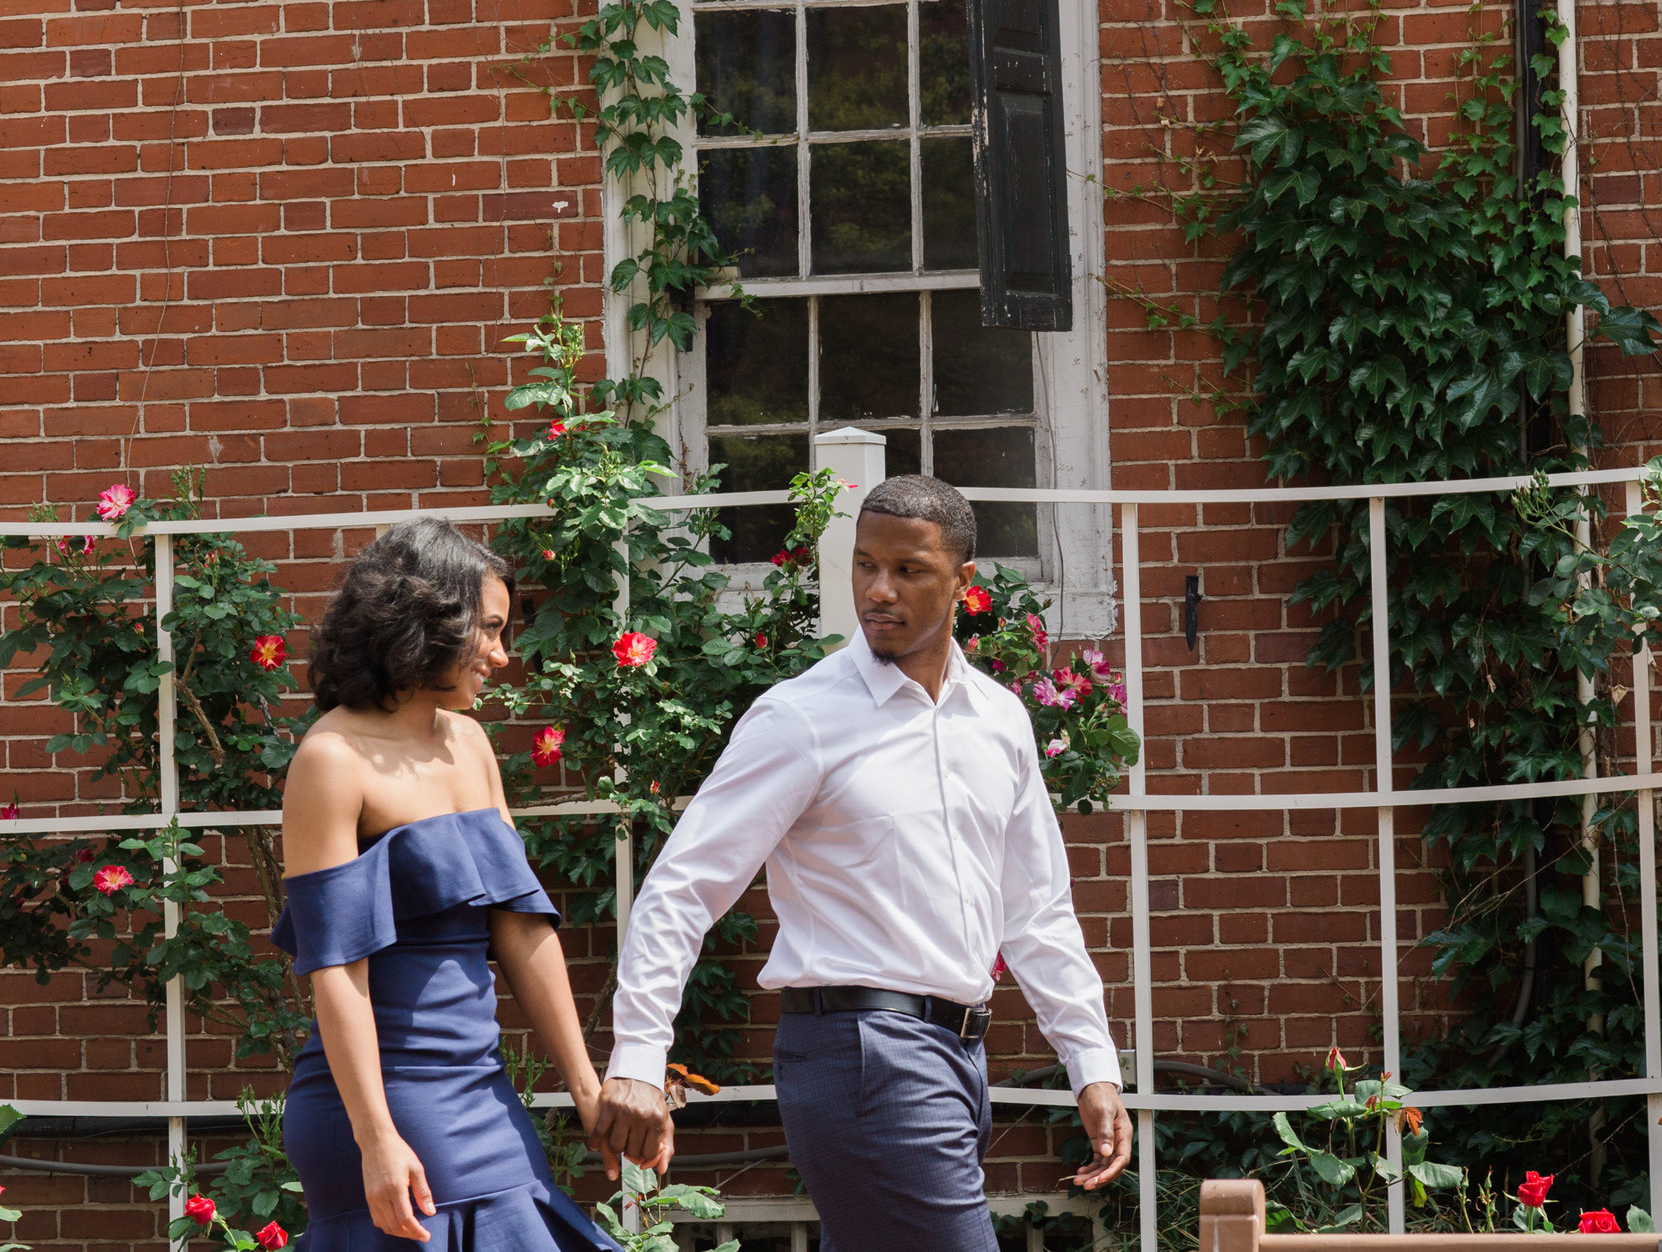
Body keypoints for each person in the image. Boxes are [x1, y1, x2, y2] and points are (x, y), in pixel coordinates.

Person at [598, 474, 1134, 1252]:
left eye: (908, 570)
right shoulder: (802, 716)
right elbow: (683, 885)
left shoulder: (1000, 720)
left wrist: (1090, 1061)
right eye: (864, 565)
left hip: (958, 1056)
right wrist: (641, 1055)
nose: (879, 590)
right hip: (863, 1054)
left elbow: (1037, 908)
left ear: (963, 581)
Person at [275, 518, 618, 1249]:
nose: (501, 653)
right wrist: (375, 1138)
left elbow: (521, 927)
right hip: (381, 1097)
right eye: (487, 630)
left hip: (480, 1086)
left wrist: (587, 1088)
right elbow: (336, 968)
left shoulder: (469, 742)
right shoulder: (331, 758)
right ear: (424, 623)